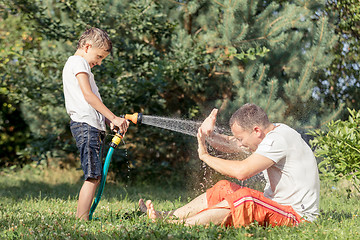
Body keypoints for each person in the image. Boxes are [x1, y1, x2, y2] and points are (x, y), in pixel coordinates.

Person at [139, 103, 320, 227]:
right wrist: (208, 135)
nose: (240, 143)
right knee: (223, 187)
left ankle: (177, 225)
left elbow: (242, 172)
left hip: (297, 216)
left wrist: (205, 156)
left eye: (242, 138)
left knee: (246, 198)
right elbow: (230, 144)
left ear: (256, 130)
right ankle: (168, 216)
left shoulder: (278, 140)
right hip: (276, 207)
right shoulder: (268, 134)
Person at [62, 27, 129, 220]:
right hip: (85, 126)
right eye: (99, 57)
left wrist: (109, 120)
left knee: (96, 175)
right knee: (92, 176)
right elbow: (88, 96)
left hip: (91, 126)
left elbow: (92, 101)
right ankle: (81, 220)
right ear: (87, 46)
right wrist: (114, 117)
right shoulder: (77, 62)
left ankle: (85, 216)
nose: (99, 63)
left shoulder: (81, 65)